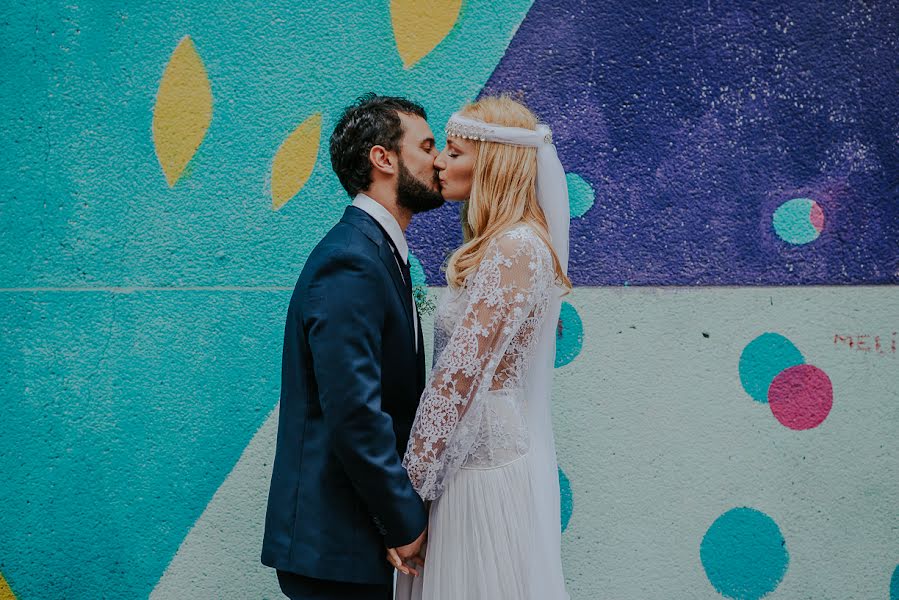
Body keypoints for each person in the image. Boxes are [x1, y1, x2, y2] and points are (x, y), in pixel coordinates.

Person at [261, 93, 444, 600]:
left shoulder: (380, 252)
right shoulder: (352, 260)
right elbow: (355, 412)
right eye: (427, 146)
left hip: (354, 542)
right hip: (334, 548)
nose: (439, 159)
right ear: (382, 159)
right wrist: (406, 521)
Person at [394, 95, 572, 599]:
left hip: (480, 469)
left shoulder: (516, 247)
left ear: (493, 163)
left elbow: (457, 379)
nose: (439, 163)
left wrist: (408, 495)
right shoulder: (505, 245)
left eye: (454, 152)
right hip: (465, 461)